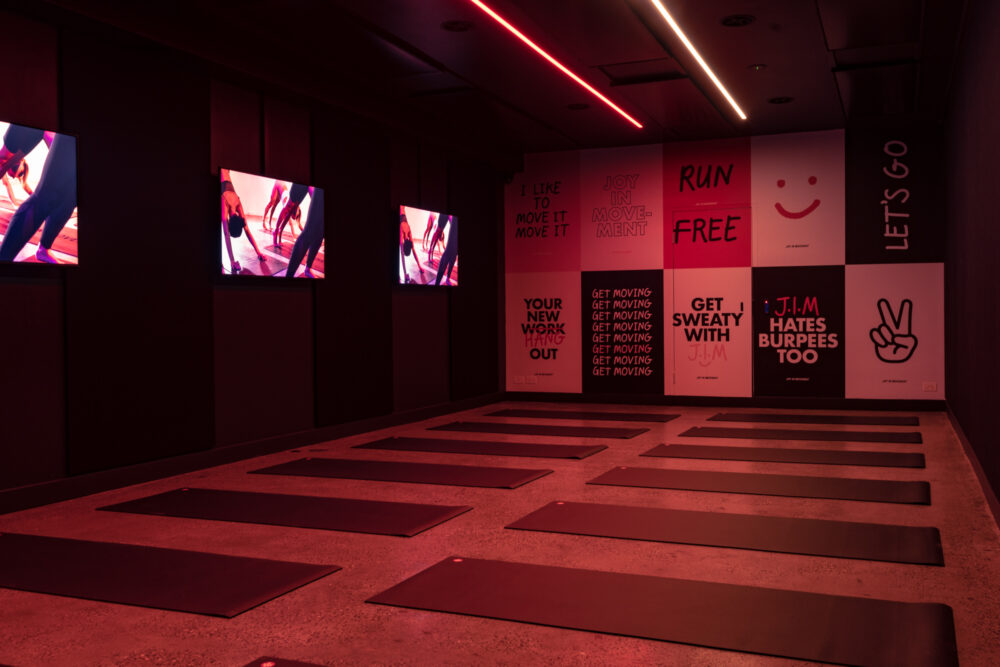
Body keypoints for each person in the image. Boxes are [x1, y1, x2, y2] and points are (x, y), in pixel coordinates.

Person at [0, 127, 76, 264]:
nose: (13, 175)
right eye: (14, 170)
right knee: (47, 196)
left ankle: (44, 248)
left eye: (16, 171)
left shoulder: (21, 174)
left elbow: (25, 187)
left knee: (70, 199)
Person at [220, 168, 265, 273]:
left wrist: (258, 252)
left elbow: (245, 230)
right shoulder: (225, 201)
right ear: (229, 222)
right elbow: (226, 234)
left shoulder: (237, 201)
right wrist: (232, 261)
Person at [284, 186, 324, 278]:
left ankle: (308, 269)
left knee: (320, 234)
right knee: (309, 232)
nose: (293, 217)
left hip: (313, 194)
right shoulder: (288, 207)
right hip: (318, 192)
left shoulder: (299, 213)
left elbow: (299, 225)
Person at [398, 211, 425, 283]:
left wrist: (420, 267)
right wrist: (405, 273)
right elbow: (402, 255)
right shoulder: (404, 232)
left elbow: (413, 251)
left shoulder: (408, 231)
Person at [434, 214, 458, 285]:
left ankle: (448, 277)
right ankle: (437, 283)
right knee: (449, 251)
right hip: (453, 220)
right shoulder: (437, 231)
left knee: (454, 254)